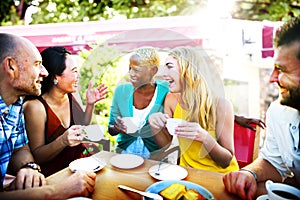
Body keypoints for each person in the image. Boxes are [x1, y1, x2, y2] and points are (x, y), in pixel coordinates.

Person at [0, 33, 96, 199]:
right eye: (37, 64)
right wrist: (55, 192)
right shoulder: (33, 107)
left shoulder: (15, 106)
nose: (44, 72)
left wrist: (29, 167)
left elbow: (20, 150)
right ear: (11, 66)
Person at [223, 16, 300, 199]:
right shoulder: (279, 112)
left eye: (282, 70)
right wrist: (249, 174)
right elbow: (273, 161)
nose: (272, 78)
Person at [149, 46, 239, 173]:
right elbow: (166, 147)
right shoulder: (171, 100)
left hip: (219, 177)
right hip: (188, 174)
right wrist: (155, 126)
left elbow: (226, 161)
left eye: (170, 67)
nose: (164, 74)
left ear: (188, 69)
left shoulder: (221, 106)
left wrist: (204, 138)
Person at [23, 46, 108, 176]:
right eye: (74, 71)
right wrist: (62, 141)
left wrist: (90, 104)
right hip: (56, 175)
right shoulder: (35, 107)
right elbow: (37, 156)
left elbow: (83, 124)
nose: (78, 76)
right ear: (55, 77)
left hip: (83, 166)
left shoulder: (72, 95)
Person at [108, 47, 170, 159]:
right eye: (129, 68)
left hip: (155, 158)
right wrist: (117, 127)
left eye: (136, 70)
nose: (131, 73)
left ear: (153, 71)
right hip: (124, 155)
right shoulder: (121, 91)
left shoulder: (167, 91)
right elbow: (111, 129)